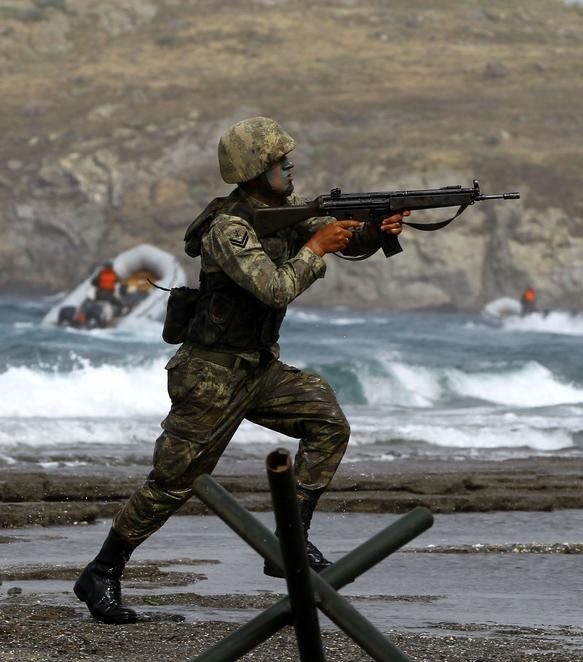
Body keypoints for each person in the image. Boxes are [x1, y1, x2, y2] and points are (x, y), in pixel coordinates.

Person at [73, 117, 408, 624]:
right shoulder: (229, 229)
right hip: (210, 375)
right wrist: (317, 252)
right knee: (171, 483)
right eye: (280, 162)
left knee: (327, 423)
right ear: (255, 170)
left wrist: (371, 230)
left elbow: (337, 237)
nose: (290, 167)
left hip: (257, 369)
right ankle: (102, 571)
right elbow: (274, 287)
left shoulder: (285, 212)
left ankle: (288, 545)